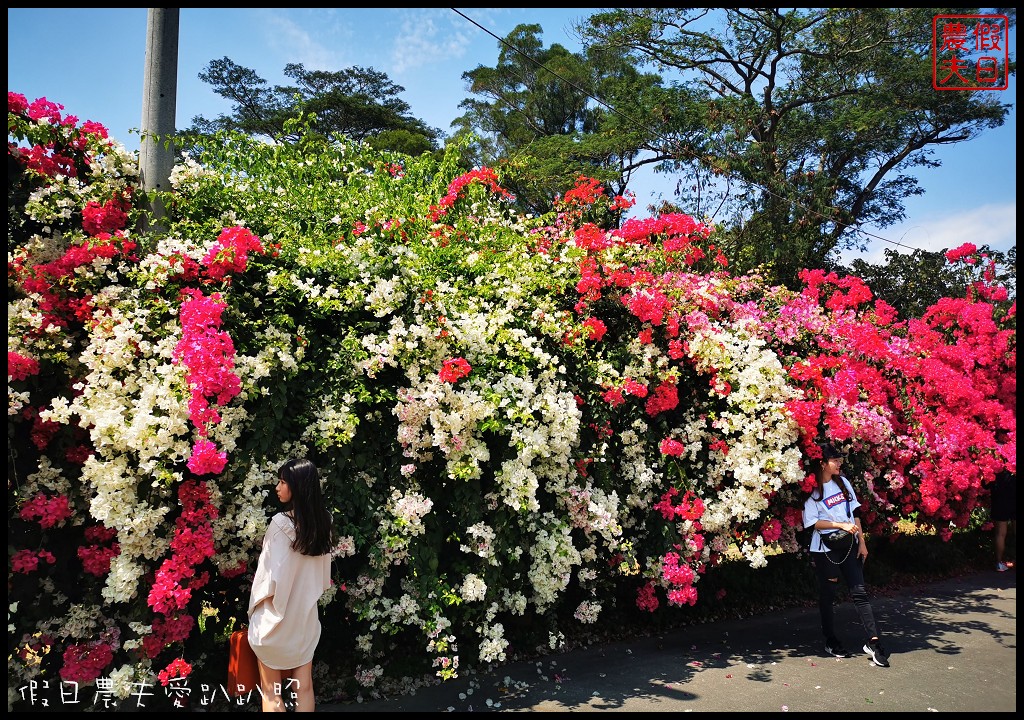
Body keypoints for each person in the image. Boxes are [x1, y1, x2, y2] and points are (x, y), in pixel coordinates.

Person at [248, 458, 334, 712]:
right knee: (304, 687)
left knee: (272, 694)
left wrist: (256, 613)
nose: (277, 487)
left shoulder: (279, 524)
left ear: (298, 487)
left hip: (275, 622)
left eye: (283, 482)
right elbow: (323, 578)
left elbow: (266, 579)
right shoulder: (325, 523)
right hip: (304, 622)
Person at [802, 442, 890, 667]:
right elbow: (812, 523)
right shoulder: (812, 491)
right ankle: (830, 639)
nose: (839, 463)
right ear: (822, 463)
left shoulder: (843, 483)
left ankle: (874, 641)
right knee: (829, 594)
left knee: (860, 592)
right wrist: (839, 525)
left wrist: (862, 541)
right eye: (835, 460)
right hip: (825, 549)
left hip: (850, 545)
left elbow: (856, 513)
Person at [991, 466, 1016, 572]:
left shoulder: (995, 464)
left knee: (1000, 534)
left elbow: (986, 484)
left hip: (1000, 500)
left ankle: (999, 563)